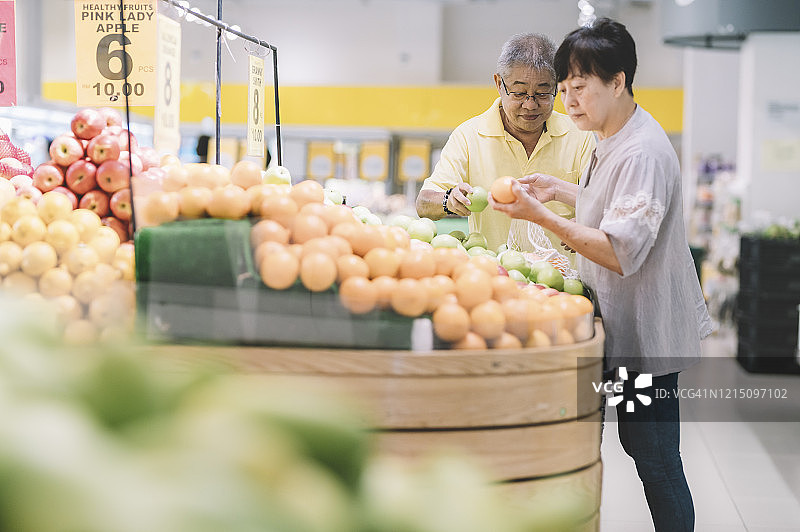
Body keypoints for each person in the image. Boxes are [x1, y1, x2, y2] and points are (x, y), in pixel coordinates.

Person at [490, 19, 712, 532]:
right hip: (625, 326)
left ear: (617, 81)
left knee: (656, 458)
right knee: (640, 445)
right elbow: (613, 204)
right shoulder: (614, 134)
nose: (568, 102)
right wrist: (560, 190)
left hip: (647, 339)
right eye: (565, 89)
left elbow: (619, 250)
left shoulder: (642, 152)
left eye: (580, 88)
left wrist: (540, 215)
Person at [416, 33, 595, 258]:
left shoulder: (579, 134)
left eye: (542, 93)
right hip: (494, 275)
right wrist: (448, 200)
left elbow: (604, 201)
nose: (530, 105)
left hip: (563, 276)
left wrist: (589, 220)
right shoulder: (469, 136)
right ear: (499, 84)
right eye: (519, 93)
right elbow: (423, 203)